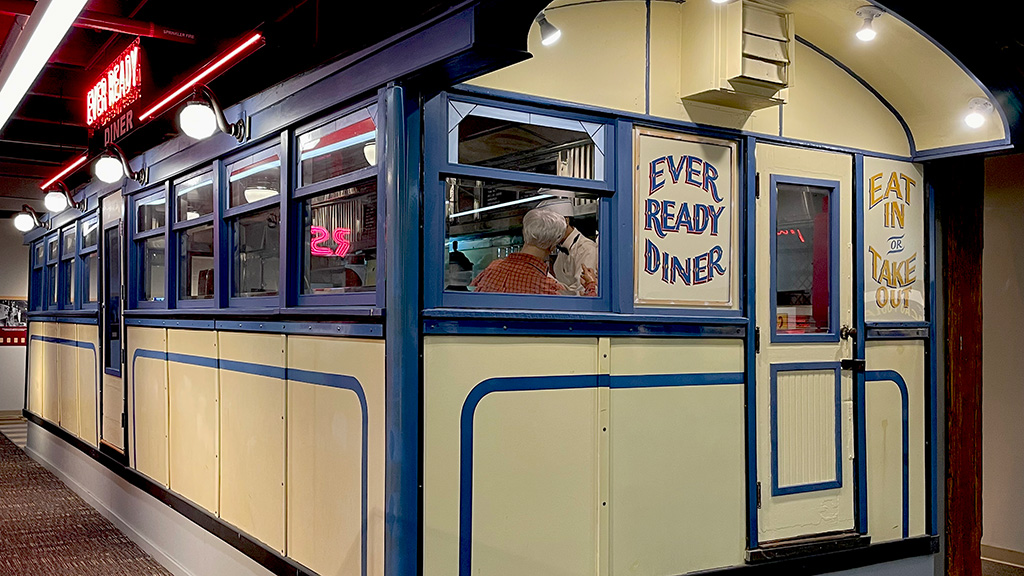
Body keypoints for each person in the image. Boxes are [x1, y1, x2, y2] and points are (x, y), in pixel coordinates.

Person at [471, 208, 597, 296]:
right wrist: (590, 285)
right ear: (553, 246)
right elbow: (578, 317)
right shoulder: (545, 286)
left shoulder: (492, 268)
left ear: (524, 233)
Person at [537, 196, 599, 296]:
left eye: (551, 226)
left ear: (566, 221)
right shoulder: (562, 250)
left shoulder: (587, 249)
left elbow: (582, 290)